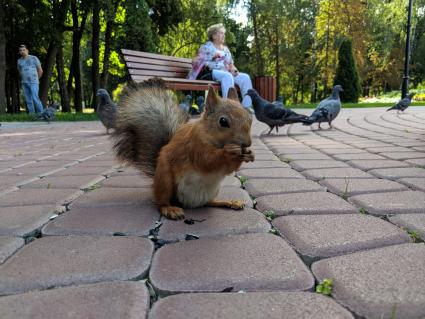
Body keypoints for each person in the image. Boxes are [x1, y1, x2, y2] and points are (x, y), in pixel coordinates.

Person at [188, 23, 253, 109]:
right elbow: (196, 60)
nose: (224, 35)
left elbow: (230, 64)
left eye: (224, 33)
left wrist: (234, 70)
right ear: (214, 36)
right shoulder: (206, 47)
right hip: (210, 72)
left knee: (245, 78)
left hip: (225, 72)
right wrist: (196, 60)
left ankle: (246, 107)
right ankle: (227, 107)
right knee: (227, 76)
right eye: (221, 33)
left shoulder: (225, 49)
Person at [17, 44, 44, 114]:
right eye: (20, 50)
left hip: (34, 82)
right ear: (19, 52)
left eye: (24, 50)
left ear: (27, 51)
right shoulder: (19, 61)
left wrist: (36, 79)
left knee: (35, 98)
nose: (22, 51)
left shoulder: (34, 58)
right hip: (24, 82)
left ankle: (41, 114)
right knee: (28, 100)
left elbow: (40, 70)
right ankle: (31, 115)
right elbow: (20, 71)